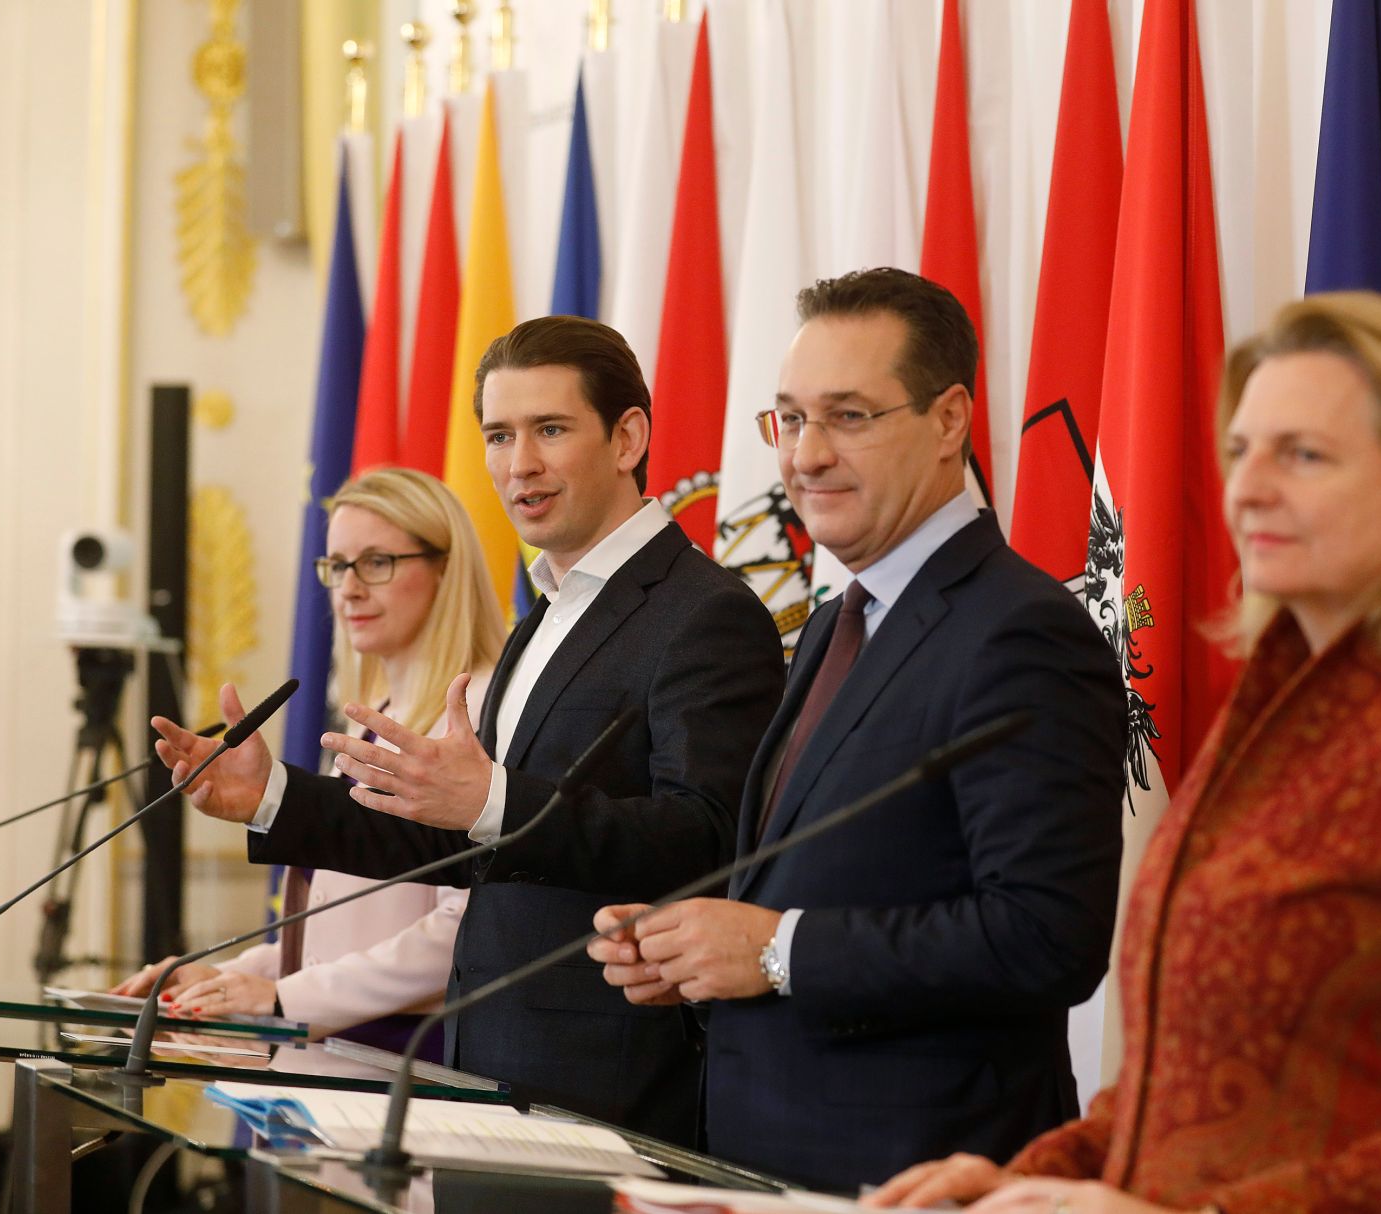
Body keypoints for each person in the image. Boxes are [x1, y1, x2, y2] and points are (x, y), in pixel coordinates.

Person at [866, 292, 1381, 1214]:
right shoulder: (1268, 716)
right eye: (1242, 451)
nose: (1247, 488)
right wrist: (1025, 1177)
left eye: (1303, 455)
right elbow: (1185, 1093)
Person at [150, 315, 785, 1146]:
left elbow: (708, 840)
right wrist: (274, 798)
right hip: (483, 1063)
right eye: (498, 435)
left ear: (629, 436)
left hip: (610, 1082)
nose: (518, 464)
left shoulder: (704, 614)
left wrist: (495, 801)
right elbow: (461, 843)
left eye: (549, 430)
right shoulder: (549, 612)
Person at [590, 268, 1128, 1191]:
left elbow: (1045, 938)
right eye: (789, 419)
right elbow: (819, 873)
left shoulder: (1019, 631)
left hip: (921, 1173)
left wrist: (771, 948)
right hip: (767, 1159)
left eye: (848, 417)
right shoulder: (841, 620)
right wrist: (693, 949)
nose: (805, 455)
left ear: (950, 419)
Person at [113, 467, 505, 1058]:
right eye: (337, 566)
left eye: (376, 562)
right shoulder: (374, 711)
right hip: (335, 1056)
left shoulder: (478, 711)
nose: (348, 588)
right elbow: (336, 933)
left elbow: (469, 928)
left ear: (445, 569)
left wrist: (281, 1000)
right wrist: (224, 976)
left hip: (409, 1064)